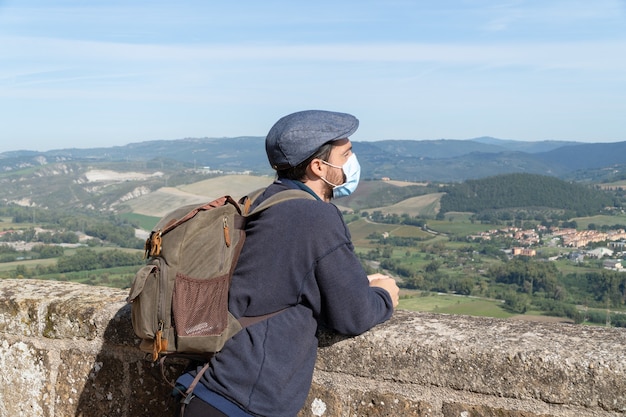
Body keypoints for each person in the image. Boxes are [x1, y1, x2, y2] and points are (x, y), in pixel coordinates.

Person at [174, 110, 399, 417]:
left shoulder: (261, 201)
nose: (353, 160)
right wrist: (384, 295)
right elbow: (354, 315)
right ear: (319, 166)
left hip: (204, 386)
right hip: (245, 402)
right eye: (346, 153)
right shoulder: (316, 217)